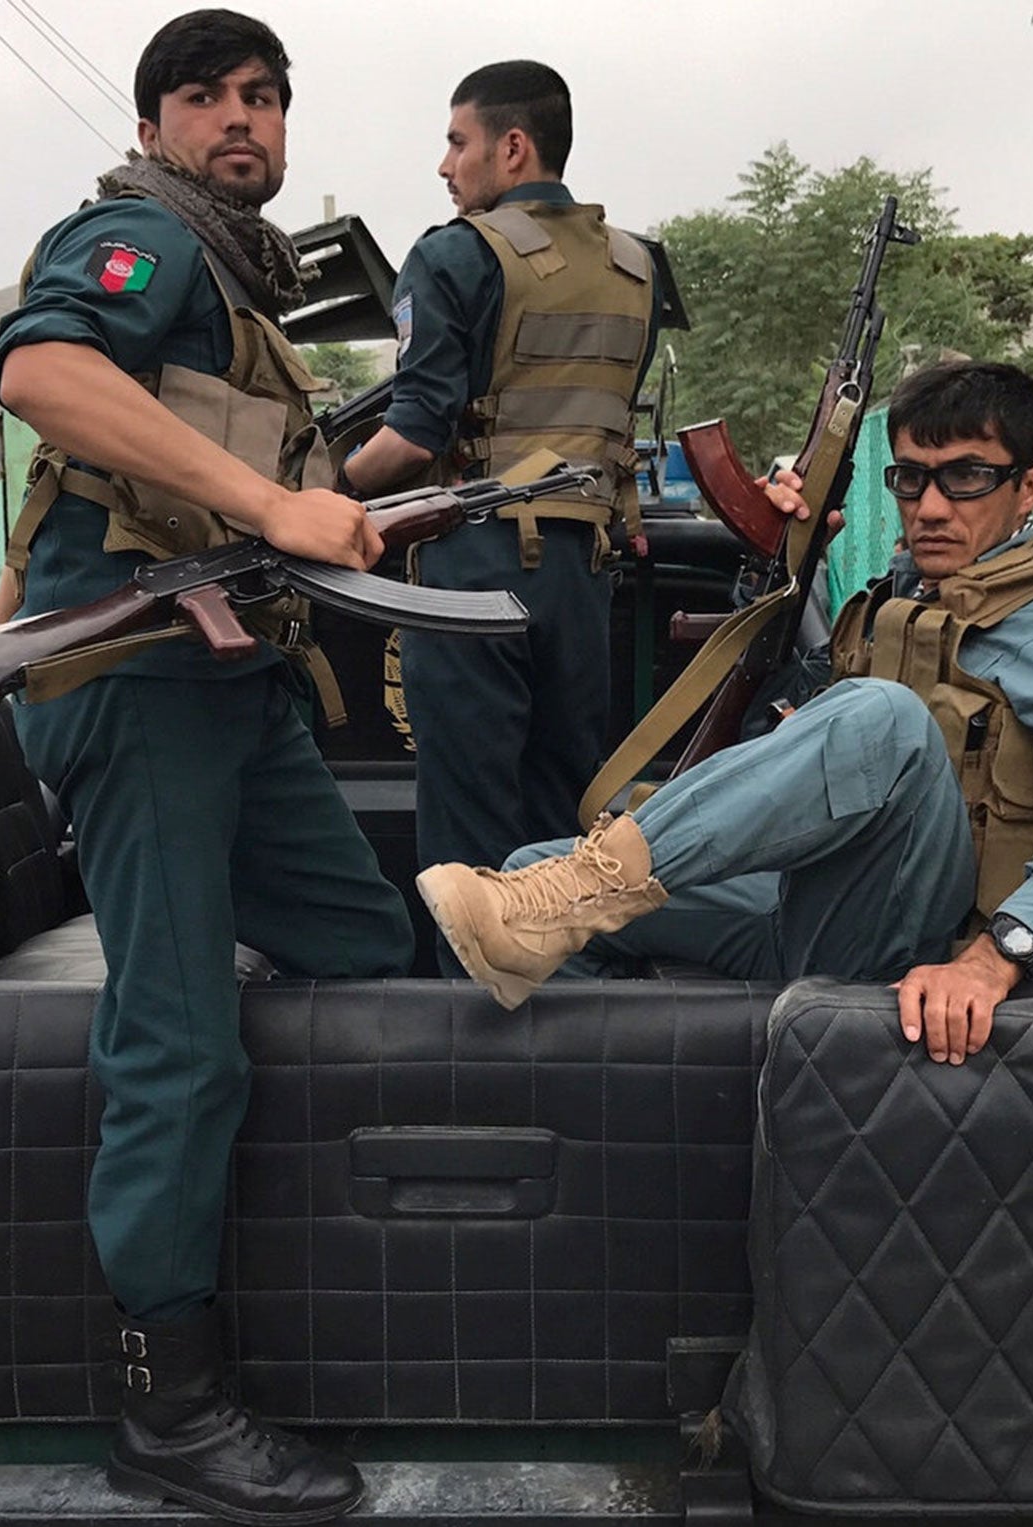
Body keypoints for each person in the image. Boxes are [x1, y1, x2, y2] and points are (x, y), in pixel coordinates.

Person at [0, 11, 412, 1523]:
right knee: (177, 1039)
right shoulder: (141, 237)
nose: (241, 119)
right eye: (207, 95)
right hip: (143, 681)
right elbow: (40, 373)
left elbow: (201, 480)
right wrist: (275, 507)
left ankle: (252, 1186)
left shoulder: (238, 285)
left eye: (265, 97)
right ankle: (171, 1400)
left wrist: (349, 494)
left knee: (364, 943)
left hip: (225, 682)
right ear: (157, 118)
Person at [417, 362, 1033, 1062]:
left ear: (1027, 487)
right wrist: (778, 573)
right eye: (911, 479)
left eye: (966, 478)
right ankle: (638, 1115)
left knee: (884, 719)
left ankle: (583, 891)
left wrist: (998, 956)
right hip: (826, 908)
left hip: (943, 945)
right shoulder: (896, 600)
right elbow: (783, 729)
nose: (931, 506)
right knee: (528, 876)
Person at [336, 60, 657, 937]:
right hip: (582, 573)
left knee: (468, 826)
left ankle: (465, 1031)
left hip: (473, 568)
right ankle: (561, 1018)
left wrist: (325, 492)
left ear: (511, 148)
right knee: (564, 815)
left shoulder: (455, 253)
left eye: (456, 142)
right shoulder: (638, 267)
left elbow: (416, 434)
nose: (446, 167)